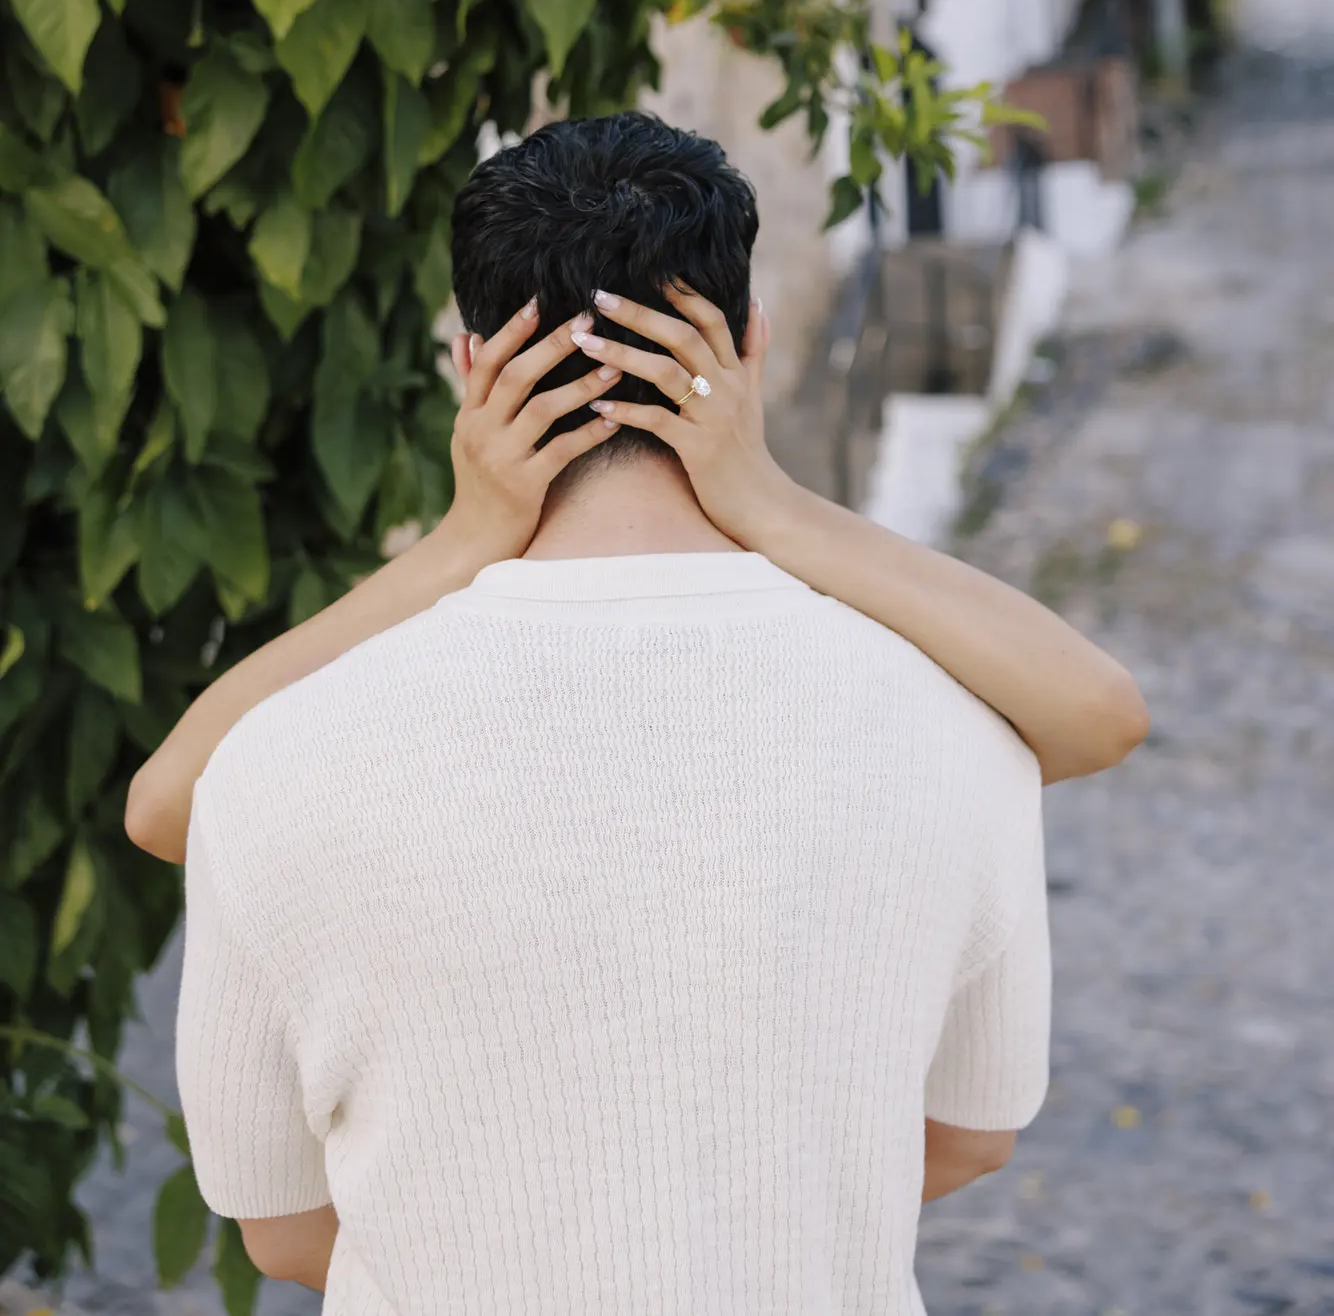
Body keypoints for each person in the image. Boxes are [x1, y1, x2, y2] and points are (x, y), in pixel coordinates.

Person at [127, 112, 1149, 1312]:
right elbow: (971, 1135)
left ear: (470, 369)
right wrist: (770, 499)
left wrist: (457, 542)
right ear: (752, 341)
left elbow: (280, 1227)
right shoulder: (959, 728)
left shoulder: (276, 768)